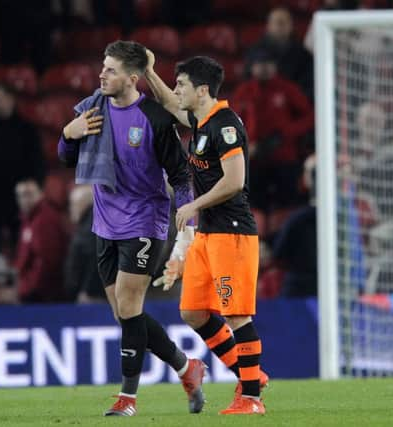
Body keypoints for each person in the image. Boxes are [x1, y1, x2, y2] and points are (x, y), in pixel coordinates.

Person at [58, 40, 204, 416]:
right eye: (102, 67)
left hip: (145, 221)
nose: (102, 74)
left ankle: (127, 398)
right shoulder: (93, 109)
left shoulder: (154, 118)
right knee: (125, 315)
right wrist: (69, 134)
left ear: (133, 78)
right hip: (104, 221)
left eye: (110, 70)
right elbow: (65, 156)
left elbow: (181, 174)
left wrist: (186, 220)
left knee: (128, 306)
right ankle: (187, 367)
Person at [145, 52, 267, 414]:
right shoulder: (201, 121)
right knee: (194, 312)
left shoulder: (224, 125)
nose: (176, 89)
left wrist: (193, 206)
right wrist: (148, 72)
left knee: (237, 315)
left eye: (181, 83)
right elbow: (167, 101)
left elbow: (235, 181)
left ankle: (251, 398)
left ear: (201, 90)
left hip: (232, 233)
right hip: (208, 235)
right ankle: (251, 376)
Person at [232, 48, 314, 210]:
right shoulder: (244, 92)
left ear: (275, 66)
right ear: (253, 67)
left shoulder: (287, 89)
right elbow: (232, 124)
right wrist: (246, 145)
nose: (264, 68)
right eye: (260, 64)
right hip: (253, 159)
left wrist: (286, 133)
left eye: (268, 63)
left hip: (284, 157)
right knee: (252, 204)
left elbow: (310, 117)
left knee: (287, 204)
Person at [0, 83, 46, 251]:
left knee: (22, 246)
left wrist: (34, 189)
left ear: (10, 100)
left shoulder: (26, 129)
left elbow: (37, 163)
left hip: (18, 198)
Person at [14, 178, 67, 303]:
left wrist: (29, 288)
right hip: (31, 289)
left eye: (29, 194)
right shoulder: (28, 219)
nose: (25, 200)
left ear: (41, 194)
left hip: (42, 294)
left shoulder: (45, 219)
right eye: (21, 195)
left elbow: (47, 260)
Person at [273, 154, 318, 297]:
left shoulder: (297, 219)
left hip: (299, 291)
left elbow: (279, 253)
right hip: (332, 289)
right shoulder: (344, 219)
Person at [246, 7, 313, 99]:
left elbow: (308, 89)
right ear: (268, 25)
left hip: (293, 105)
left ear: (291, 25)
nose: (280, 26)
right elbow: (247, 85)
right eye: (276, 22)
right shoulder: (254, 53)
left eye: (284, 23)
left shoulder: (304, 55)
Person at [64, 185, 105, 303]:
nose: (70, 209)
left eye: (73, 204)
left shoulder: (90, 226)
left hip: (91, 296)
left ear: (85, 204)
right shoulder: (91, 222)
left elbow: (96, 257)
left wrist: (89, 290)